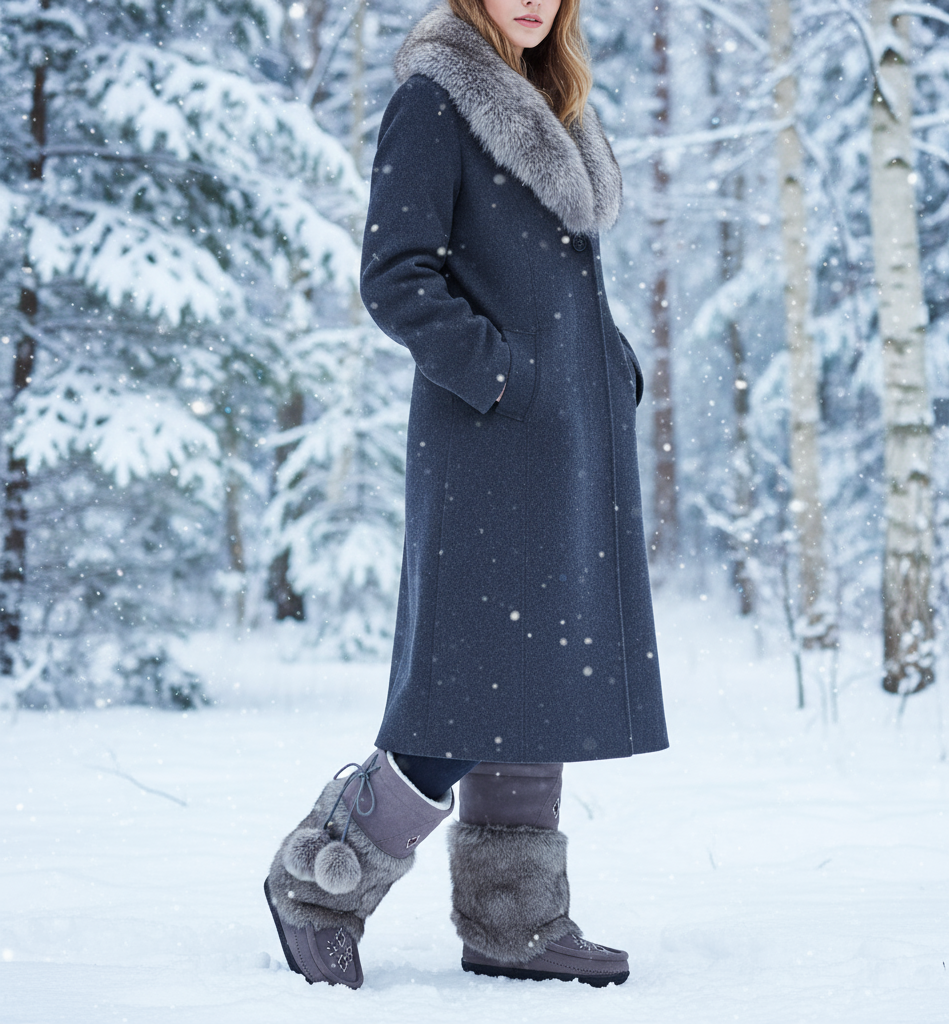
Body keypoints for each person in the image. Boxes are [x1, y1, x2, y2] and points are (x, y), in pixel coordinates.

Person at [264, 0, 668, 990]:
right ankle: (319, 881)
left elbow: (555, 283)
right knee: (466, 688)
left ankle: (513, 920)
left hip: (564, 440)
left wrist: (603, 367)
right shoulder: (435, 98)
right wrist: (505, 377)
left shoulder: (555, 100)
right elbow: (396, 274)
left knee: (538, 677)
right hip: (487, 442)